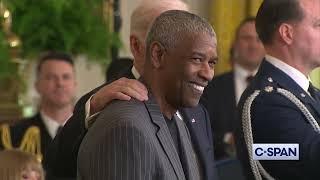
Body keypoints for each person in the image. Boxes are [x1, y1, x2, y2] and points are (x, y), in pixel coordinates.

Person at [45, 1, 217, 180]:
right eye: (167, 27)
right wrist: (92, 110)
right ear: (141, 47)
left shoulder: (196, 110)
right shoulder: (109, 110)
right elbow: (56, 167)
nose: (207, 74)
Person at [236, 0, 320, 179]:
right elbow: (310, 159)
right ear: (287, 33)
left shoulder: (310, 94)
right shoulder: (264, 103)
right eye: (319, 24)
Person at [201, 17, 265, 160]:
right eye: (247, 38)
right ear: (235, 43)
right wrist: (227, 139)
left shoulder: (278, 87)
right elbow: (198, 130)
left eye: (258, 39)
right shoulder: (210, 86)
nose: (253, 45)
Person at [0, 52, 76, 163]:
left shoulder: (89, 132)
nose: (60, 83)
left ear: (75, 84)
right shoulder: (13, 136)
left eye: (66, 77)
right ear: (37, 85)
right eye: (51, 77)